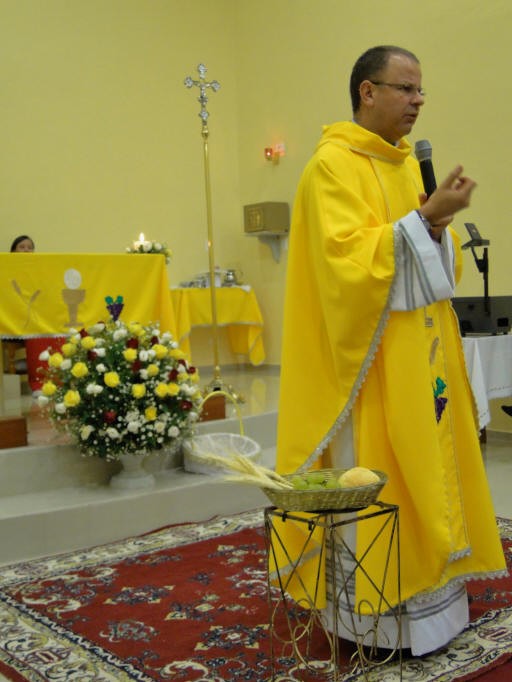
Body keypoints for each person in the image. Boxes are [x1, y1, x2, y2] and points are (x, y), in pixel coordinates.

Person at [273, 45, 506, 656]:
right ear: (367, 91)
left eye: (421, 90)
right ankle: (372, 620)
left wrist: (436, 225)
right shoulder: (330, 166)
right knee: (383, 477)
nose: (418, 101)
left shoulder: (405, 165)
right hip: (370, 365)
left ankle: (437, 607)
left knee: (431, 470)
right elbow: (344, 265)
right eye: (406, 88)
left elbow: (436, 268)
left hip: (422, 355)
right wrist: (424, 221)